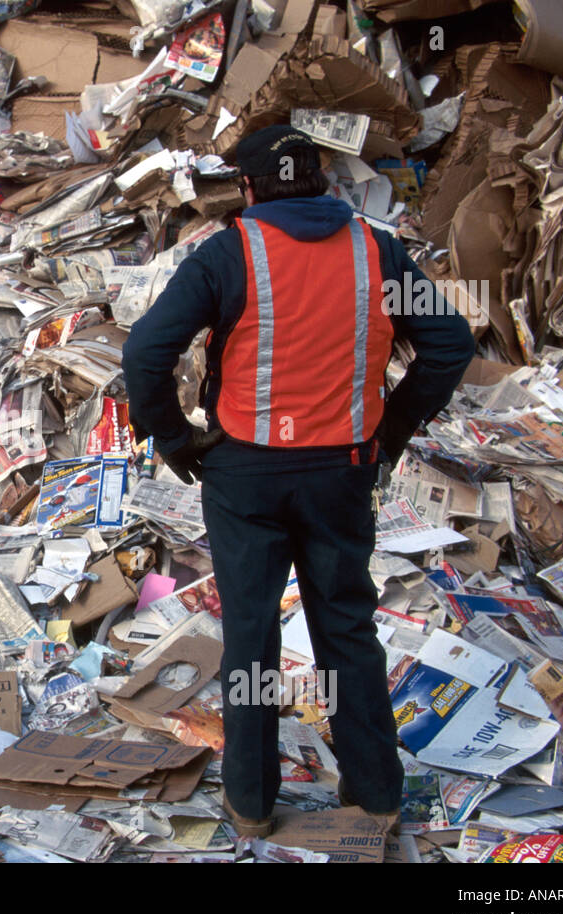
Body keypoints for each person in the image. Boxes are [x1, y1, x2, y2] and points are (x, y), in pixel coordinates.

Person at [120, 125, 476, 837]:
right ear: (321, 181)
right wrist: (390, 431)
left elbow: (145, 350)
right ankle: (376, 793)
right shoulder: (377, 251)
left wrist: (173, 437)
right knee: (346, 629)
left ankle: (251, 804)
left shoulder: (230, 253)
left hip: (245, 476)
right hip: (340, 472)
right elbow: (452, 344)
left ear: (249, 189)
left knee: (251, 636)